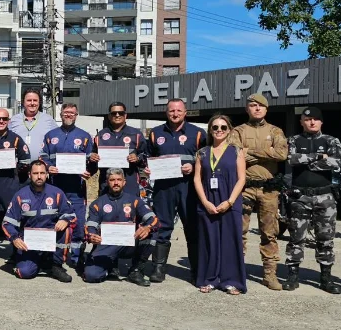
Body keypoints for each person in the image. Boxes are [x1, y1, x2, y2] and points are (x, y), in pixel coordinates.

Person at [226, 93, 288, 291]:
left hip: (269, 189)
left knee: (269, 233)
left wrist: (250, 153)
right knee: (239, 232)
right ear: (247, 109)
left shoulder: (276, 130)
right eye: (253, 105)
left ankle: (270, 275)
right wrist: (266, 153)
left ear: (266, 109)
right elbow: (233, 153)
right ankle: (237, 273)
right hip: (244, 188)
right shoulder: (238, 131)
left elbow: (281, 154)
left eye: (261, 106)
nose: (257, 108)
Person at [283, 107, 341, 294]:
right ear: (301, 121)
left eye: (315, 119)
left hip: (324, 197)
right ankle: (292, 276)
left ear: (321, 122)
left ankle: (325, 278)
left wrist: (307, 160)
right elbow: (291, 159)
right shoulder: (294, 140)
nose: (311, 122)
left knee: (325, 239)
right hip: (300, 196)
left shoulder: (331, 141)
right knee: (296, 238)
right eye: (307, 119)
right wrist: (319, 157)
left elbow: (336, 163)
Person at [146, 98, 206, 283]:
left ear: (185, 112)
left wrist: (195, 166)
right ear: (166, 112)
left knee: (193, 228)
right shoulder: (155, 133)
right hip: (163, 188)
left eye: (179, 111)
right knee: (162, 227)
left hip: (189, 187)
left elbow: (208, 159)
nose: (175, 114)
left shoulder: (198, 133)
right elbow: (148, 156)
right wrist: (147, 167)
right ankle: (158, 269)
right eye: (171, 110)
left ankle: (197, 270)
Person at [193, 114, 247, 295]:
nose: (219, 130)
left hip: (230, 201)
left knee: (230, 241)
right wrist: (205, 202)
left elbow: (241, 179)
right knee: (209, 241)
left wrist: (230, 201)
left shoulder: (236, 151)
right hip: (208, 202)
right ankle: (209, 279)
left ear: (229, 130)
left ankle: (231, 281)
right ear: (210, 130)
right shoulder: (202, 153)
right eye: (215, 127)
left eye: (223, 127)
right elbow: (197, 180)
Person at [2, 160, 76, 282]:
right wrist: (14, 238)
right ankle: (34, 261)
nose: (39, 176)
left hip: (51, 240)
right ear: (29, 175)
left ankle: (56, 265)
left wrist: (65, 219)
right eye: (36, 173)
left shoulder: (57, 193)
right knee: (24, 272)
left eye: (42, 173)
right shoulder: (20, 195)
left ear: (47, 174)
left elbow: (71, 214)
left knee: (67, 228)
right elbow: (7, 223)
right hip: (29, 244)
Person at [39, 103, 94, 268]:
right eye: (65, 112)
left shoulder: (85, 136)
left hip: (76, 190)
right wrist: (48, 167)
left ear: (76, 115)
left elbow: (91, 161)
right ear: (61, 114)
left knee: (78, 226)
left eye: (72, 113)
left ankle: (77, 259)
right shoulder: (50, 135)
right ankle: (51, 257)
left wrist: (88, 171)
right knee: (52, 223)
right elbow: (43, 157)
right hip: (55, 188)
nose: (68, 115)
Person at [83, 168, 158, 286]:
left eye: (119, 180)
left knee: (153, 233)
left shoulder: (135, 200)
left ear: (124, 182)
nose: (116, 183)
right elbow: (90, 225)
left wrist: (147, 227)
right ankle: (109, 266)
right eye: (112, 180)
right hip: (106, 244)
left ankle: (136, 270)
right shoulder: (97, 203)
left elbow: (153, 219)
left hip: (129, 244)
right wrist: (91, 235)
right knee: (91, 276)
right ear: (107, 182)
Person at [91, 102, 147, 197]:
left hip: (130, 184)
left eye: (120, 113)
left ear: (125, 115)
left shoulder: (136, 134)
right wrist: (92, 158)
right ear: (109, 116)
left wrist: (137, 158)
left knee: (130, 211)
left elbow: (146, 156)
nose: (117, 115)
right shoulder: (100, 135)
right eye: (114, 113)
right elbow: (92, 163)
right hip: (106, 185)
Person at [8, 88, 58, 162]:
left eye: (35, 100)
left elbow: (57, 142)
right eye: (29, 100)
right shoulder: (14, 120)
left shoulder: (49, 120)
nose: (32, 103)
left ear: (39, 102)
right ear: (23, 102)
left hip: (41, 169)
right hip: (19, 168)